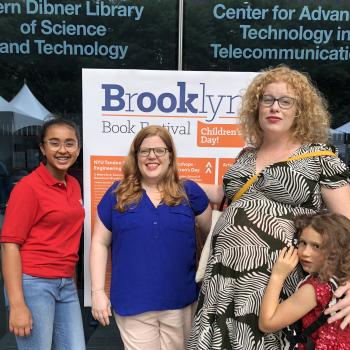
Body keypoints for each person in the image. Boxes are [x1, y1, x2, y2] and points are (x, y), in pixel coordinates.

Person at [187, 65, 350, 350]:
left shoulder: (321, 158)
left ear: (301, 110)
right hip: (222, 280)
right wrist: (177, 184)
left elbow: (347, 224)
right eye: (268, 99)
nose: (275, 107)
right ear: (256, 106)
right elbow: (230, 197)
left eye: (286, 101)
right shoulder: (246, 156)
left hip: (273, 282)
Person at [90, 125, 212, 350]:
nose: (152, 156)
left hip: (180, 301)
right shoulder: (117, 194)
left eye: (159, 150)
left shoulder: (189, 192)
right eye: (145, 151)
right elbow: (99, 242)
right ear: (136, 157)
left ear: (170, 156)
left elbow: (210, 238)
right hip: (132, 303)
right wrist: (97, 292)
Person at [0, 118, 85, 350]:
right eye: (54, 143)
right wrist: (17, 305)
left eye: (70, 143)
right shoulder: (28, 188)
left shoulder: (74, 185)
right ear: (42, 148)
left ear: (78, 148)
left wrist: (72, 278)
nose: (62, 150)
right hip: (33, 284)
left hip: (65, 285)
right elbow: (9, 246)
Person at [259, 212, 350, 349]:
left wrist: (278, 275)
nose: (305, 252)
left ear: (337, 250)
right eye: (303, 243)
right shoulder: (343, 280)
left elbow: (267, 324)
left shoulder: (317, 287)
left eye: (316, 246)